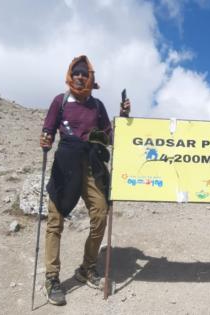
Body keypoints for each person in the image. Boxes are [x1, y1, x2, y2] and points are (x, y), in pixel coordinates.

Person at [39, 55, 130, 306]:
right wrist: (45, 140)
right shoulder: (60, 101)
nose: (80, 77)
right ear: (71, 75)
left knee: (100, 213)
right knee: (55, 222)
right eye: (76, 73)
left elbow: (111, 137)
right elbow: (47, 130)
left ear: (91, 78)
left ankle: (87, 268)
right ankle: (52, 278)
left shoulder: (97, 106)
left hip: (92, 166)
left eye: (84, 73)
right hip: (64, 165)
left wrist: (123, 117)